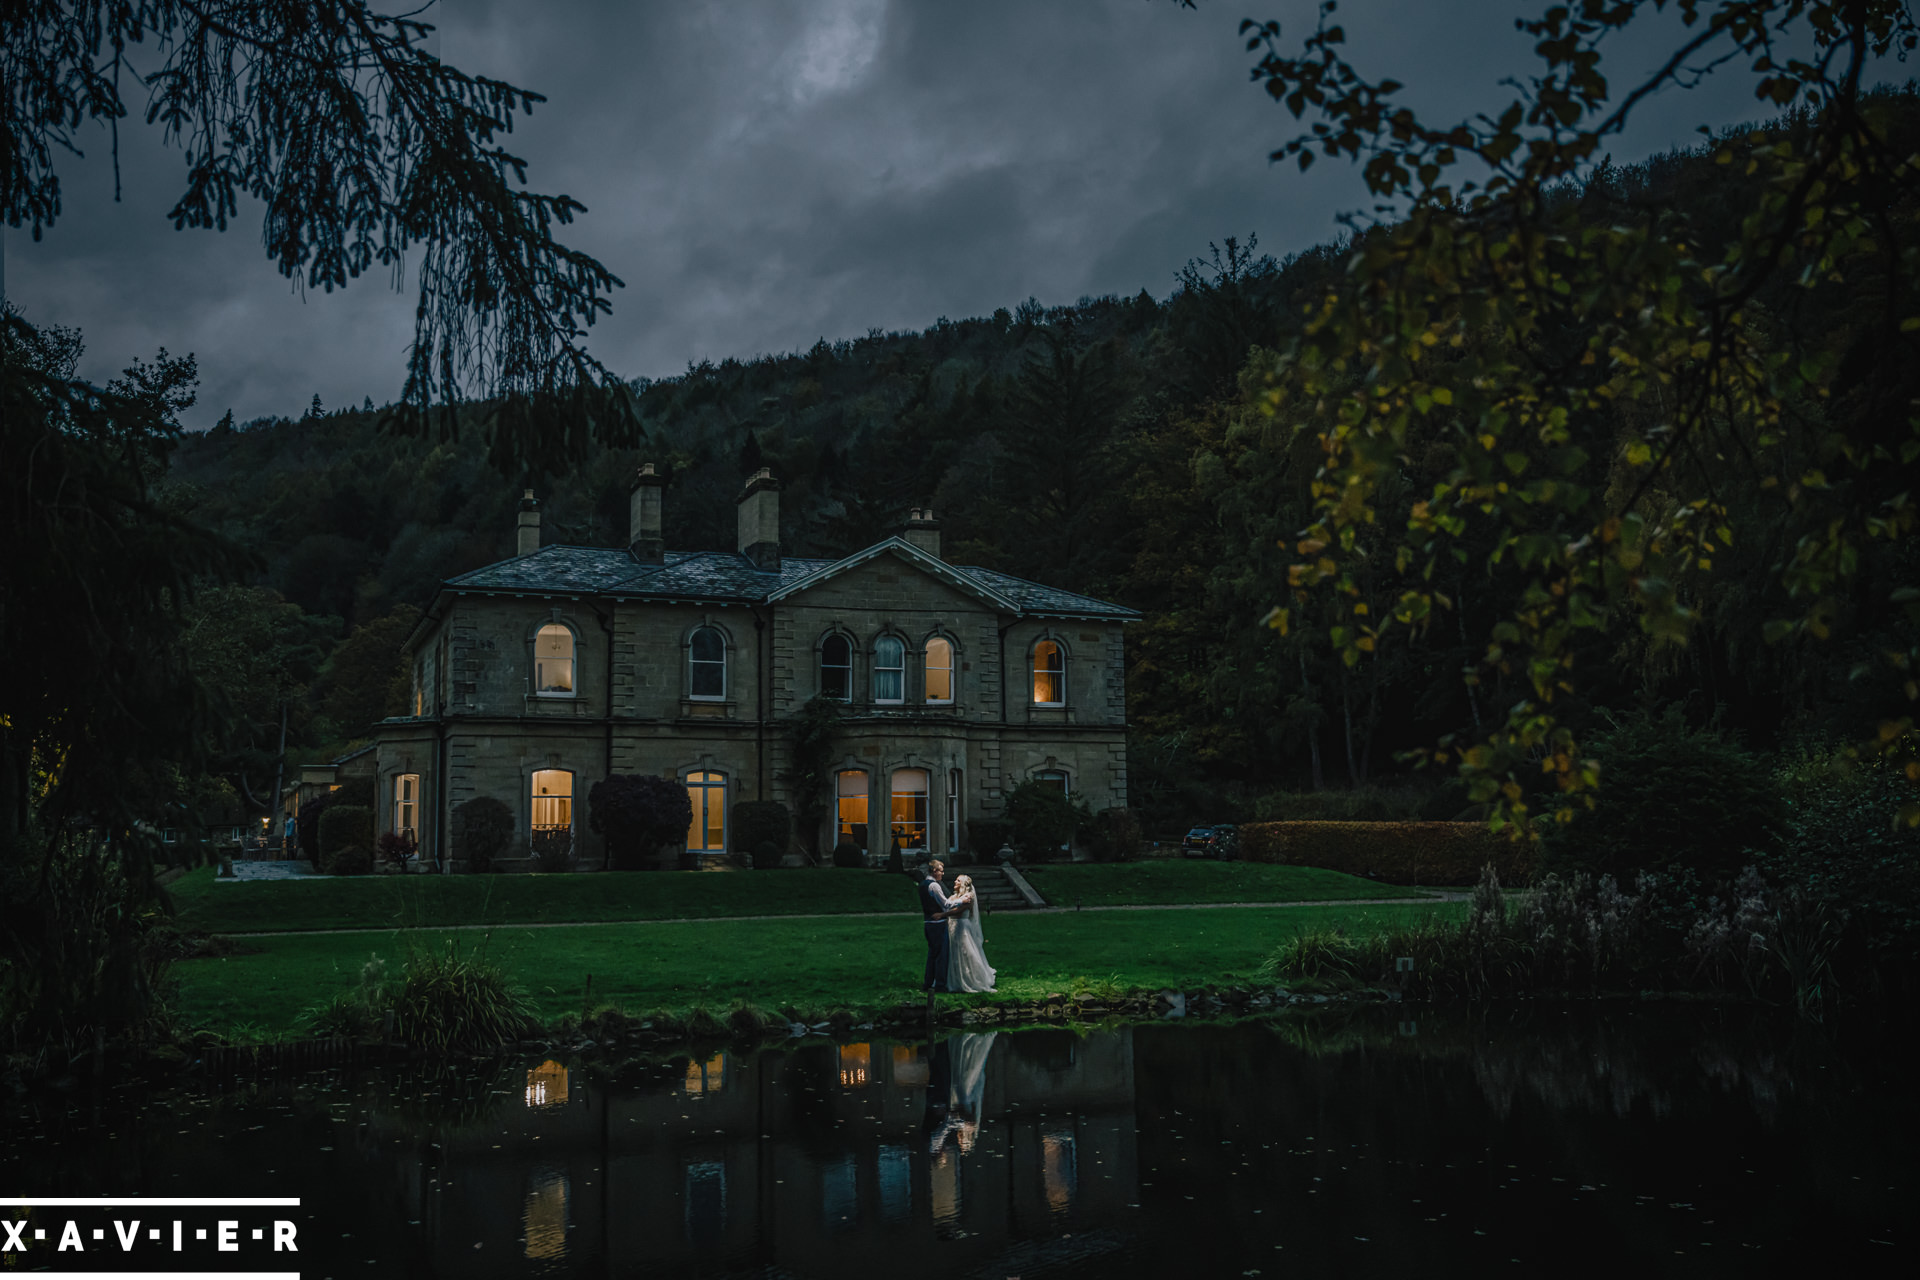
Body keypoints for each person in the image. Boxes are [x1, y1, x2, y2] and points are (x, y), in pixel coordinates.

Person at [915, 860, 963, 992]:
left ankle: (928, 982)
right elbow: (946, 904)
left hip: (928, 923)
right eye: (941, 870)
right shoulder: (934, 886)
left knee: (932, 954)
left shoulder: (923, 884)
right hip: (937, 924)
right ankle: (940, 984)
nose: (942, 873)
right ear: (934, 871)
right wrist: (961, 900)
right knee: (942, 955)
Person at [945, 875, 997, 993]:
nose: (955, 881)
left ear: (963, 884)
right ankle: (955, 979)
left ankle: (971, 979)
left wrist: (942, 915)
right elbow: (946, 905)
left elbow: (958, 912)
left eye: (958, 880)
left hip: (961, 927)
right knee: (953, 952)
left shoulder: (968, 897)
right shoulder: (954, 897)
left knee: (965, 951)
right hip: (952, 926)